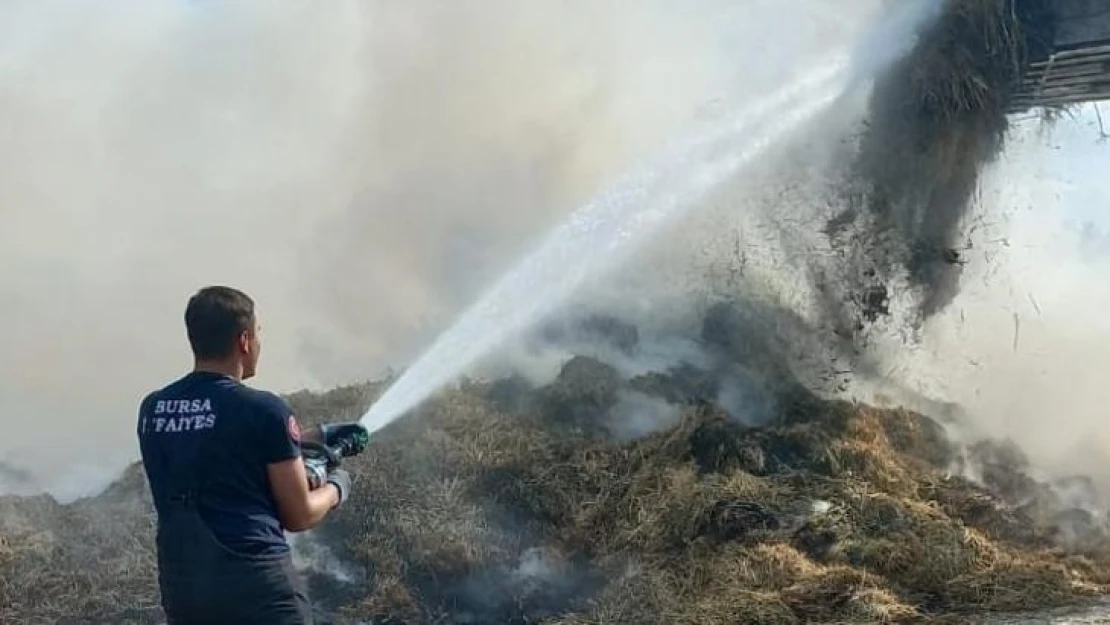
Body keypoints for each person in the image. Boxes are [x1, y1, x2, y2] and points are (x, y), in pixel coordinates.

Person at [136, 285, 368, 624]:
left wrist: (313, 437)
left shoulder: (153, 409)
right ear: (244, 341)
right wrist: (336, 486)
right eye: (258, 334)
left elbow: (212, 446)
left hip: (185, 591)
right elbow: (298, 514)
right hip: (257, 589)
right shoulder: (263, 409)